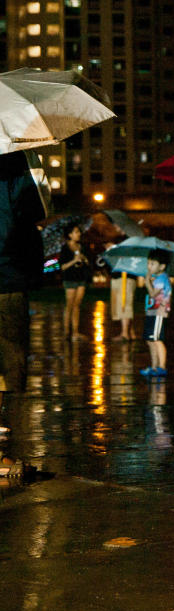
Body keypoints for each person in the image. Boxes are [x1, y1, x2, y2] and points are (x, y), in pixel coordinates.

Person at [0, 151, 45, 475]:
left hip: (9, 274)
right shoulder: (14, 158)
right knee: (7, 361)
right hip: (7, 275)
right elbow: (33, 210)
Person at [140, 248, 172, 378]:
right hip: (152, 311)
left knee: (157, 339)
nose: (149, 266)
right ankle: (154, 366)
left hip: (159, 312)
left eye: (152, 264)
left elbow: (153, 293)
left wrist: (147, 282)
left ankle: (162, 366)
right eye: (148, 263)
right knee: (150, 339)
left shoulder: (162, 278)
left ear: (162, 266)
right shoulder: (157, 278)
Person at [59, 221, 92, 341]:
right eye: (76, 232)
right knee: (69, 305)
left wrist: (84, 259)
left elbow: (89, 262)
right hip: (70, 279)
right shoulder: (65, 248)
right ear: (70, 234)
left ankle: (75, 332)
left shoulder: (82, 247)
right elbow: (62, 267)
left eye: (79, 232)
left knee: (77, 305)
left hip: (81, 278)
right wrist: (74, 260)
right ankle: (66, 332)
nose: (79, 234)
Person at [109, 266, 136, 341]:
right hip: (118, 276)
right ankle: (129, 331)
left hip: (125, 277)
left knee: (124, 305)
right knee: (119, 305)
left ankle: (125, 333)